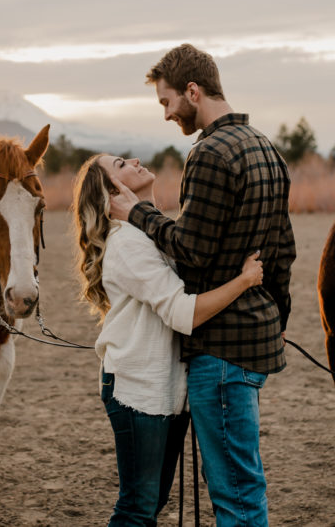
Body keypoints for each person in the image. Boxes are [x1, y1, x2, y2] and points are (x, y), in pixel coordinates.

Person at [108, 43, 295, 527]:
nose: (168, 114)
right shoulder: (267, 149)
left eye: (168, 102)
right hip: (253, 345)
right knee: (240, 485)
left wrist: (139, 213)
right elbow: (282, 254)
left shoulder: (210, 153)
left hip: (221, 352)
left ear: (193, 91)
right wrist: (271, 324)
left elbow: (191, 250)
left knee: (235, 495)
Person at [71, 153, 264, 527]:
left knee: (152, 501)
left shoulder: (152, 233)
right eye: (122, 163)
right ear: (112, 193)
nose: (136, 159)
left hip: (165, 389)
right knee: (137, 507)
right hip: (137, 391)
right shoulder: (128, 243)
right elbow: (183, 312)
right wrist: (243, 281)